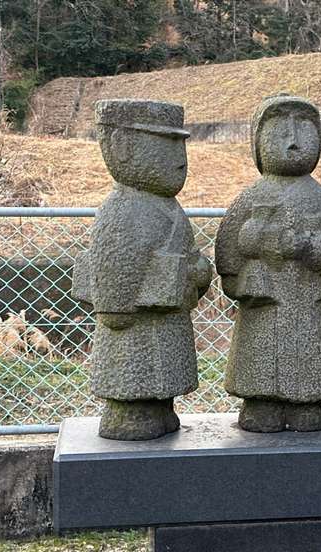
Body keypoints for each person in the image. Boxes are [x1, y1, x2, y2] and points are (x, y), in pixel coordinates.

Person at [215, 94, 321, 432]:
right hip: (262, 303)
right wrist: (239, 275)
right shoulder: (252, 197)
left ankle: (308, 405)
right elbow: (227, 249)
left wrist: (313, 247)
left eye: (305, 131)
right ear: (258, 144)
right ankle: (259, 404)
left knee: (310, 364)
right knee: (259, 362)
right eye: (279, 132)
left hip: (309, 302)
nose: (293, 141)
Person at [72, 99, 212, 440]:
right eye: (167, 145)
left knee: (162, 386)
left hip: (168, 321)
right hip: (132, 334)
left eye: (181, 146)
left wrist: (196, 272)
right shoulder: (120, 211)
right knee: (135, 394)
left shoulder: (169, 208)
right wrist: (128, 298)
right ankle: (129, 412)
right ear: (122, 147)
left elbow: (188, 258)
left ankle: (161, 405)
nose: (180, 159)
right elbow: (112, 294)